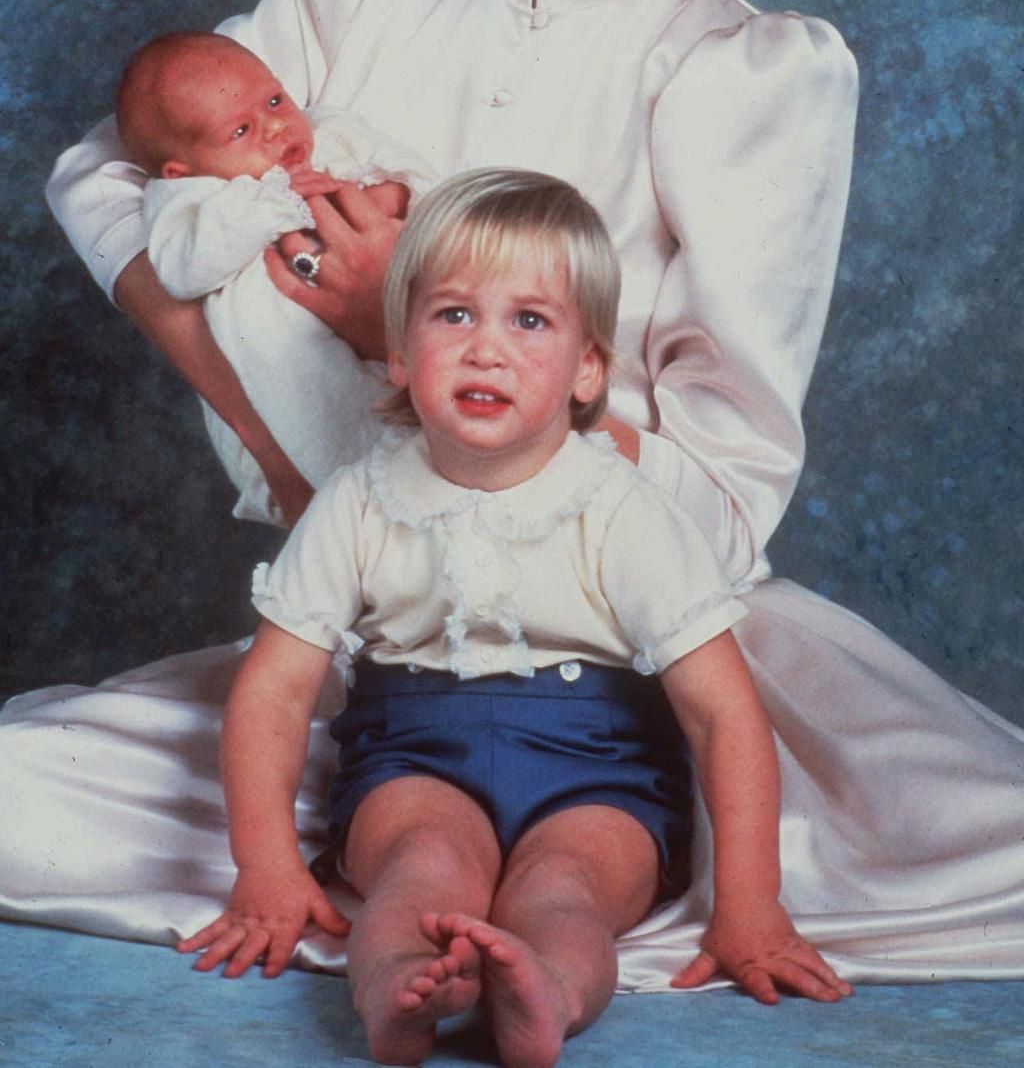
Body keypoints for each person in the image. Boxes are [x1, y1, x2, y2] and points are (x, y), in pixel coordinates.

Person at [5, 0, 1023, 987]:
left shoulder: (741, 72)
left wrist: (387, 333)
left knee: (980, 851)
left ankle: (575, 901)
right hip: (371, 626)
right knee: (18, 797)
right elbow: (116, 176)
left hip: (644, 654)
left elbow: (723, 499)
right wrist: (297, 454)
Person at [178, 170, 850, 1066]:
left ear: (586, 370)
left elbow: (722, 711)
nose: (485, 350)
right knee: (421, 870)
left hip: (599, 772)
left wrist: (750, 904)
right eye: (454, 315)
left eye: (528, 321)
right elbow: (273, 689)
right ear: (400, 354)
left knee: (565, 890)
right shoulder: (361, 501)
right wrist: (266, 867)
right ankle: (396, 993)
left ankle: (547, 991)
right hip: (413, 756)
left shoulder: (622, 507)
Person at [115, 31, 437, 524]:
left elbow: (420, 176)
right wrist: (277, 202)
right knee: (342, 455)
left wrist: (388, 196)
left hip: (388, 328)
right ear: (180, 171)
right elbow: (182, 269)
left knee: (418, 438)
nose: (276, 127)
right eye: (241, 131)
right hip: (283, 369)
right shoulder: (188, 199)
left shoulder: (328, 131)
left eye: (274, 99)